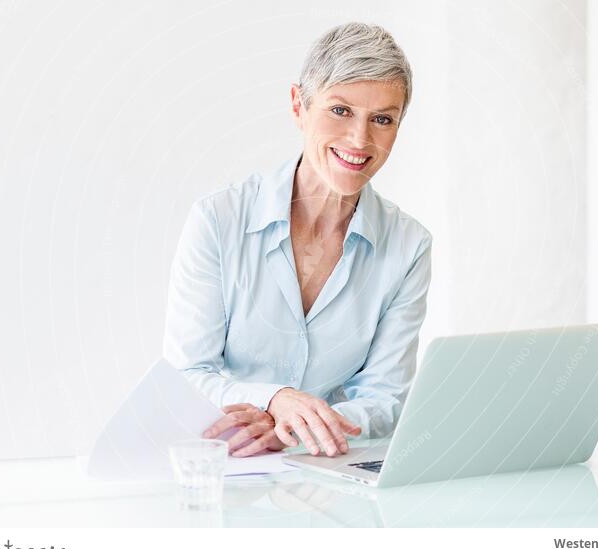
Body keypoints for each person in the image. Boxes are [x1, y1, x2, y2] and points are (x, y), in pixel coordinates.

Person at [163, 22, 432, 459]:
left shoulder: (408, 246)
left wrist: (295, 428)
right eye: (340, 110)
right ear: (298, 106)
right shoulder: (218, 220)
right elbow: (186, 374)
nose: (359, 140)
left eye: (382, 119)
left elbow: (386, 399)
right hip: (226, 470)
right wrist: (275, 401)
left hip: (332, 475)